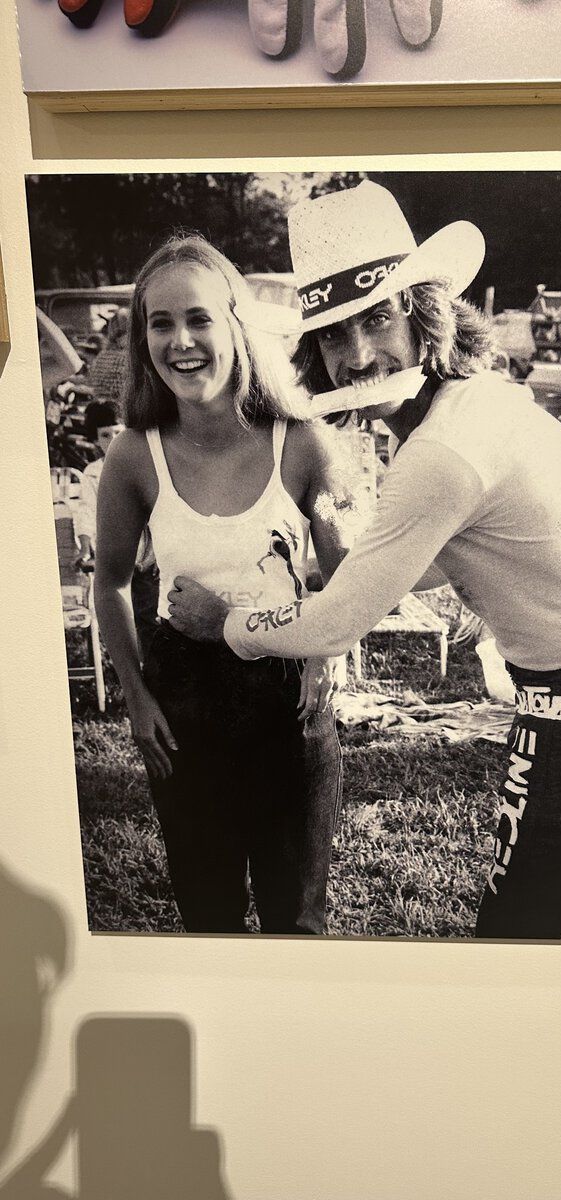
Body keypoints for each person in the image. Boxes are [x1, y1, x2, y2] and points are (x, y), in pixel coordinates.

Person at [168, 182, 561, 941]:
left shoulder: (440, 453)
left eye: (378, 319)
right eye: (334, 335)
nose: (358, 357)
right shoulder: (471, 404)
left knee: (522, 934)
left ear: (426, 315)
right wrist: (321, 575)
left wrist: (223, 621)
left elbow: (338, 626)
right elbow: (421, 559)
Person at [94, 234, 352, 936]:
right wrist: (136, 697)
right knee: (208, 916)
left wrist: (325, 653)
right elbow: (110, 582)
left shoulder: (302, 441)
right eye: (161, 323)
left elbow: (347, 573)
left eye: (199, 318)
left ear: (237, 324)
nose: (181, 342)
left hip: (287, 698)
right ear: (143, 339)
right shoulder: (133, 455)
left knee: (296, 918)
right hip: (185, 704)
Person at [75, 398, 160, 663]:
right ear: (94, 439)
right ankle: (129, 666)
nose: (112, 440)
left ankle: (154, 668)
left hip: (147, 556)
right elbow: (86, 511)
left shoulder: (143, 465)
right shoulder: (93, 473)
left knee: (151, 615)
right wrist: (85, 545)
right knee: (121, 616)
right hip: (115, 558)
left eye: (117, 432)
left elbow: (157, 509)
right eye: (104, 435)